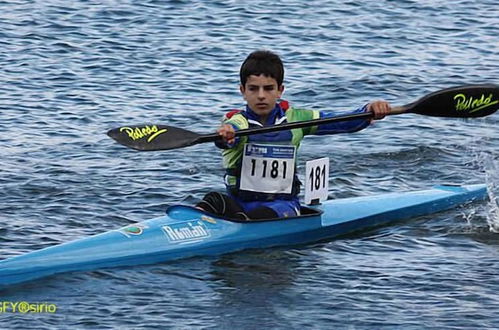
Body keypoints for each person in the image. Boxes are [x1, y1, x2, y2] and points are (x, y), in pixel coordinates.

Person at [196, 50, 390, 220]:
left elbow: (339, 121)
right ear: (243, 92)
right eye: (253, 89)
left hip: (282, 206)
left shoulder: (297, 119)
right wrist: (226, 135)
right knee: (213, 199)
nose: (261, 95)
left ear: (280, 90)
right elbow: (230, 132)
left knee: (258, 215)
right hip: (238, 203)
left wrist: (368, 110)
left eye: (268, 88)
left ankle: (239, 225)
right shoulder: (237, 122)